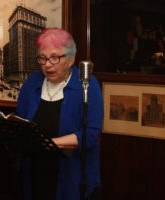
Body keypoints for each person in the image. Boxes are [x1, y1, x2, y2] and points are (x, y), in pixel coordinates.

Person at [16, 27, 103, 200]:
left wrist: (50, 143)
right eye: (43, 57)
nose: (47, 64)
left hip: (72, 173)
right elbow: (20, 120)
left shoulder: (87, 84)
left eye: (55, 57)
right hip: (35, 168)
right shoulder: (32, 82)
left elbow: (91, 134)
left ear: (70, 59)